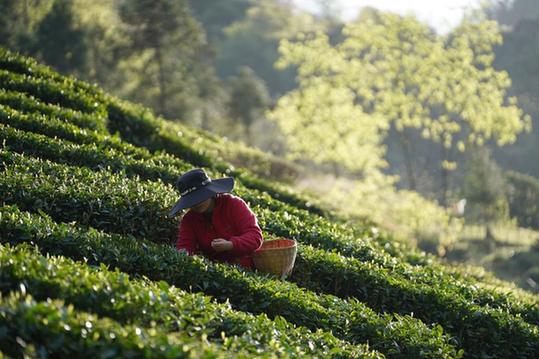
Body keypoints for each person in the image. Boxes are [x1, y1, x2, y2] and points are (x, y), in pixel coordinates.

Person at [168, 168, 263, 268]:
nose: (196, 203)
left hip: (245, 268)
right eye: (192, 201)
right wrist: (184, 254)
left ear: (210, 192)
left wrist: (231, 244)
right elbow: (185, 245)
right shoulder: (189, 220)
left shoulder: (233, 204)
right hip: (212, 270)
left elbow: (255, 237)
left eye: (200, 198)